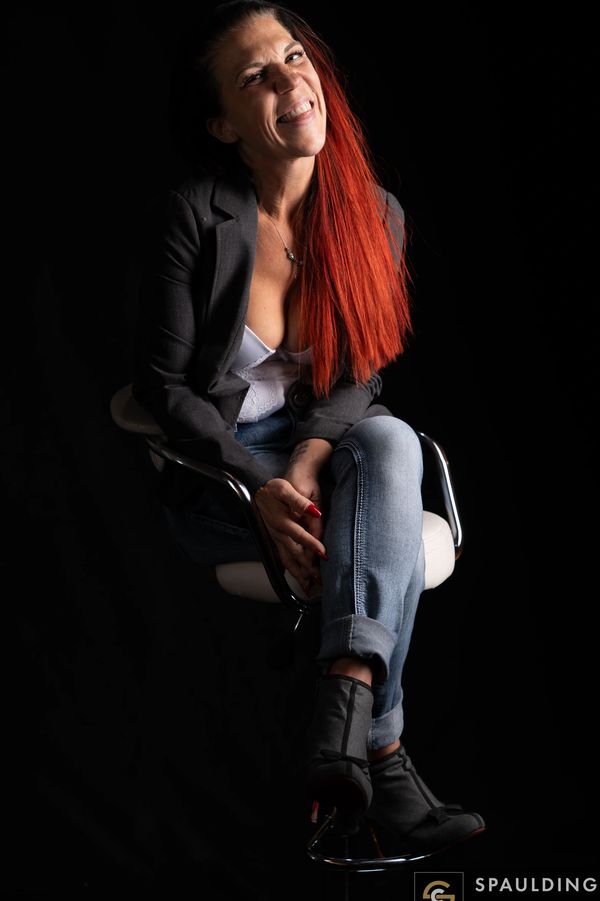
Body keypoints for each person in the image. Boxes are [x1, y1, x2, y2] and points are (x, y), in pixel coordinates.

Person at [132, 0, 485, 853]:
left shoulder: (376, 214)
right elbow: (164, 387)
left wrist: (313, 458)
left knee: (391, 437)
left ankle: (343, 694)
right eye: (257, 74)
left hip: (323, 455)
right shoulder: (197, 215)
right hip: (224, 470)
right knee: (385, 496)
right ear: (222, 123)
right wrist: (261, 485)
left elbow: (359, 376)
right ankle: (381, 749)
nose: (293, 79)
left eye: (295, 56)